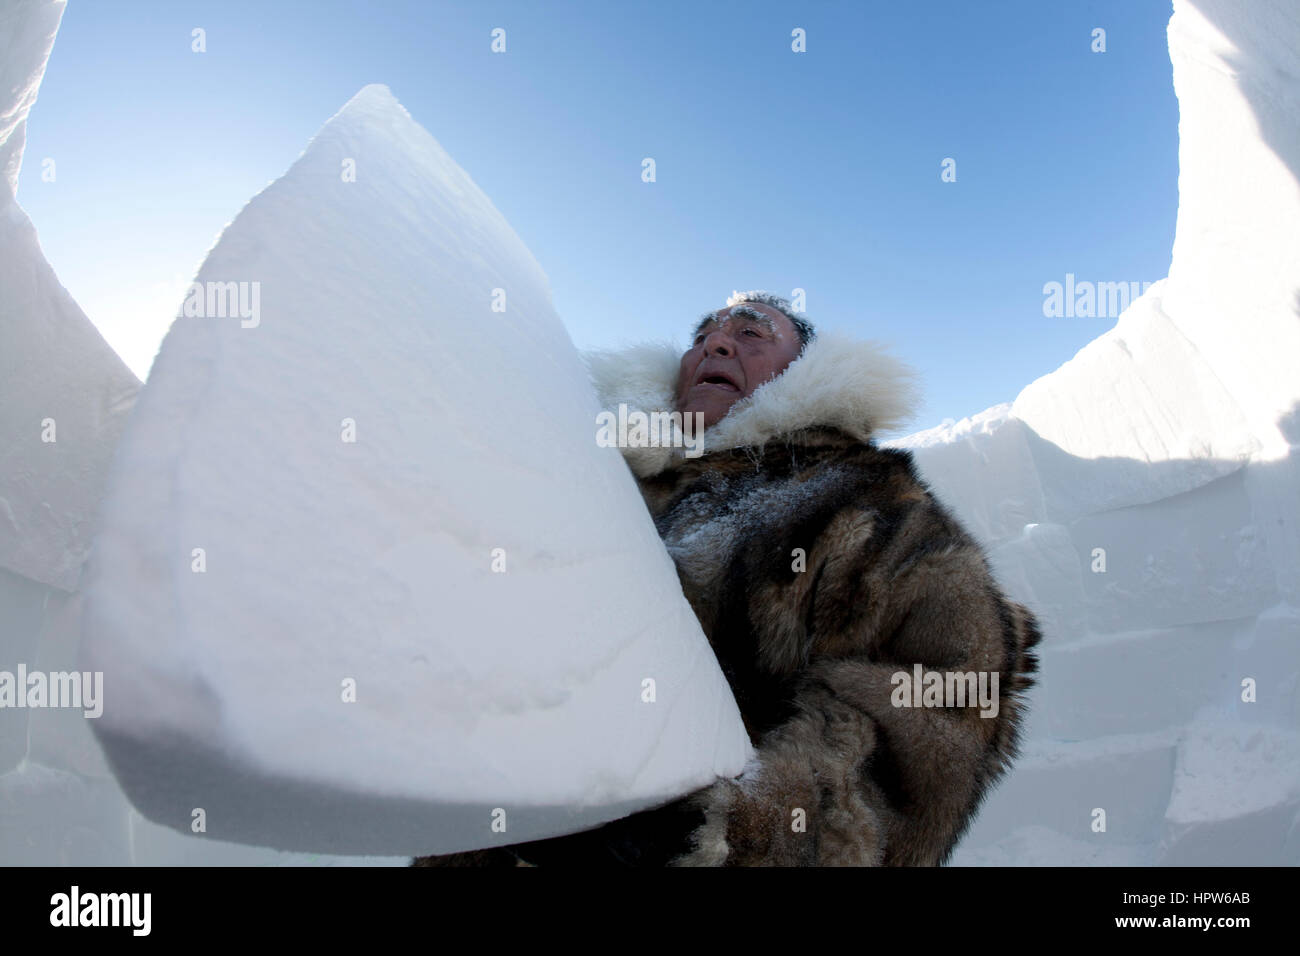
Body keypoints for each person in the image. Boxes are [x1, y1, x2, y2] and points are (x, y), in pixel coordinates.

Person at [414, 291, 1041, 866]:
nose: (715, 344)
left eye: (751, 332)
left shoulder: (869, 505)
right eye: (704, 336)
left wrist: (741, 829)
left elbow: (949, 694)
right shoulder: (596, 484)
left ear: (804, 372)